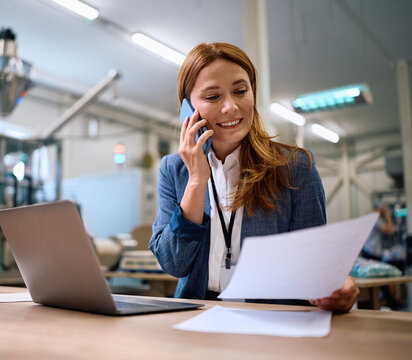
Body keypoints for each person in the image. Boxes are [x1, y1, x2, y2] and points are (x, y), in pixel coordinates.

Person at [149, 42, 358, 312]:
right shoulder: (173, 170)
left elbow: (315, 263)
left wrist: (337, 286)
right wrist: (196, 180)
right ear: (188, 108)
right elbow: (173, 264)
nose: (230, 107)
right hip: (198, 312)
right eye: (213, 97)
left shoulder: (295, 166)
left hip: (273, 316)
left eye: (240, 91)